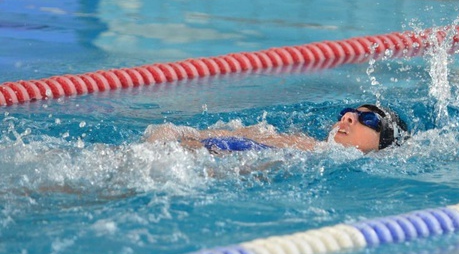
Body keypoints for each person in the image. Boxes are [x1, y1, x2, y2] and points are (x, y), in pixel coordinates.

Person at [144, 104, 409, 154]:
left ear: (384, 145)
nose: (349, 118)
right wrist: (178, 133)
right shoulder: (303, 141)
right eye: (348, 113)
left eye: (369, 120)